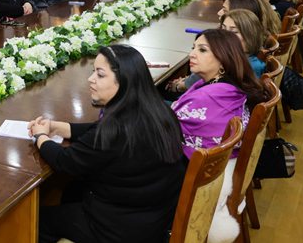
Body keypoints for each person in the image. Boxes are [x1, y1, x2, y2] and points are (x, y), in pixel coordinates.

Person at [29, 45, 187, 243]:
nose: (91, 79)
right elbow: (97, 131)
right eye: (93, 71)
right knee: (72, 191)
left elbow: (65, 161)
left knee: (36, 222)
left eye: (100, 74)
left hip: (117, 229)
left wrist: (40, 136)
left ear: (124, 80)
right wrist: (59, 128)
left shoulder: (113, 131)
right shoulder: (160, 111)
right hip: (154, 218)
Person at [171, 29, 267, 159]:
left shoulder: (210, 96)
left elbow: (170, 128)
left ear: (223, 59)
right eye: (193, 48)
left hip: (201, 165)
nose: (191, 54)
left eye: (202, 50)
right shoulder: (227, 85)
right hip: (219, 160)